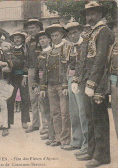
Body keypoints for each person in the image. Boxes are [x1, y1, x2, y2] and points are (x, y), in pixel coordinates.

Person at [72, 2, 115, 167]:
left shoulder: (104, 32)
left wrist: (92, 82)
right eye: (87, 15)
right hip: (86, 80)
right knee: (89, 117)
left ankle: (102, 155)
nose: (89, 17)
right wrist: (77, 78)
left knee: (99, 119)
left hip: (99, 81)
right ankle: (91, 150)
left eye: (93, 14)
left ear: (100, 14)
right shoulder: (89, 33)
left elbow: (101, 59)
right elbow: (82, 57)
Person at [40, 23, 71, 148]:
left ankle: (65, 140)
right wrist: (43, 87)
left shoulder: (67, 47)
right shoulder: (49, 52)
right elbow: (44, 71)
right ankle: (57, 138)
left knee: (64, 113)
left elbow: (67, 68)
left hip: (62, 85)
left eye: (56, 35)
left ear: (62, 35)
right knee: (55, 113)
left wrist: (65, 84)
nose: (54, 38)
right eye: (52, 36)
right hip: (51, 86)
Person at [64, 22, 88, 154]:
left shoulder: (85, 45)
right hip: (70, 78)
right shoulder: (69, 47)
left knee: (82, 111)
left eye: (75, 32)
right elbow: (68, 64)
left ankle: (86, 143)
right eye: (70, 33)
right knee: (73, 111)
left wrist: (78, 79)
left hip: (81, 80)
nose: (73, 35)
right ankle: (77, 141)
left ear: (80, 31)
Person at [7, 31, 31, 129]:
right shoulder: (10, 50)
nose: (17, 40)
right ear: (13, 40)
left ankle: (24, 121)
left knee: (25, 99)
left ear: (22, 39)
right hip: (12, 78)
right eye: (15, 38)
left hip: (23, 77)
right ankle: (8, 121)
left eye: (19, 38)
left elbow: (27, 62)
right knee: (10, 99)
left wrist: (25, 76)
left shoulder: (25, 49)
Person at [24, 19, 43, 134]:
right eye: (29, 28)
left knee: (43, 98)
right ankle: (35, 124)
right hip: (31, 70)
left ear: (39, 28)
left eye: (33, 27)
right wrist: (25, 74)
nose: (31, 30)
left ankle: (46, 126)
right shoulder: (27, 41)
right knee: (33, 98)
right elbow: (26, 58)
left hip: (42, 70)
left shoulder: (43, 38)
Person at [34, 31, 52, 141]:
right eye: (40, 39)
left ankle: (52, 131)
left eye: (44, 38)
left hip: (51, 83)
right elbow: (37, 71)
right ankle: (46, 129)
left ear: (49, 40)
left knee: (52, 108)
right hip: (42, 84)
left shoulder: (52, 51)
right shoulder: (40, 55)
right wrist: (36, 85)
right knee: (44, 107)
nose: (42, 40)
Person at [108, 19, 118, 139]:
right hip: (114, 82)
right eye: (115, 28)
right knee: (115, 111)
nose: (116, 31)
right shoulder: (111, 47)